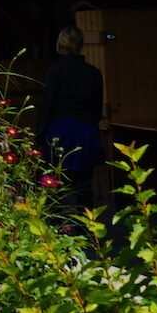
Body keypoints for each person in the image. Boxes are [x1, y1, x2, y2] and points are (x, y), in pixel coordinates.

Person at [37, 25, 105, 210]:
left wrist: (39, 133)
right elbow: (97, 108)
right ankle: (87, 231)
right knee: (84, 187)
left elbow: (48, 104)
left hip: (60, 130)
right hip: (85, 130)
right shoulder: (94, 73)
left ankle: (54, 231)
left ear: (61, 45)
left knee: (54, 185)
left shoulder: (56, 72)